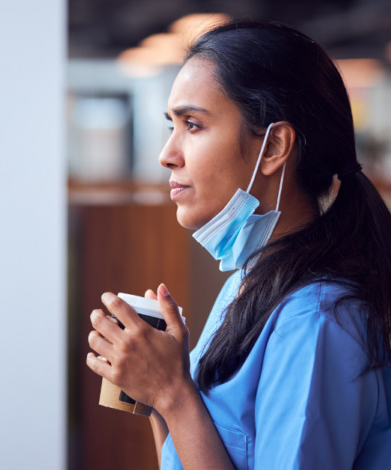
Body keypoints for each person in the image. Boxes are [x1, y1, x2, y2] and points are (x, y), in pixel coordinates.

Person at [85, 21, 391, 469]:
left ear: (274, 148)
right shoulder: (252, 282)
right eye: (171, 125)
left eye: (193, 124)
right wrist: (157, 392)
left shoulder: (318, 322)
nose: (167, 153)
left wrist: (173, 393)